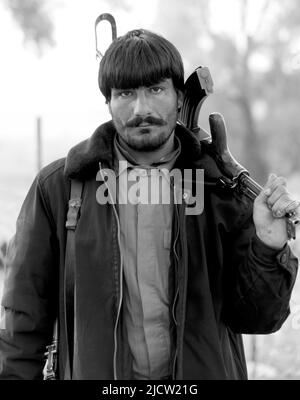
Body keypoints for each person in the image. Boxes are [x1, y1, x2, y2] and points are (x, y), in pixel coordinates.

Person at [0, 28, 298, 381]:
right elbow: (24, 319)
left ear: (178, 97)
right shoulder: (60, 189)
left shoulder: (219, 186)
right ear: (108, 103)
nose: (141, 109)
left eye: (156, 89)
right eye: (125, 93)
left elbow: (258, 318)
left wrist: (267, 244)